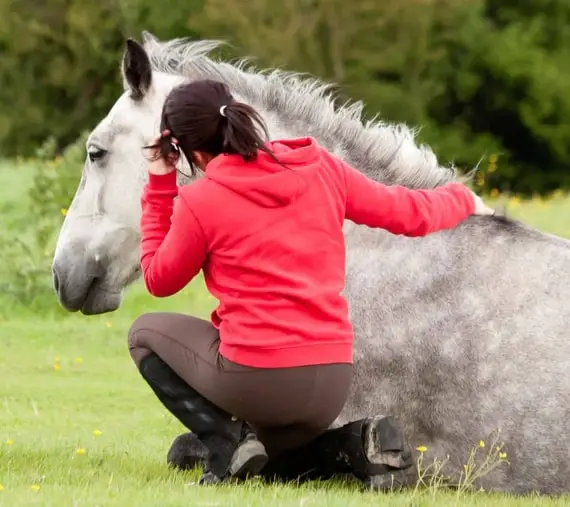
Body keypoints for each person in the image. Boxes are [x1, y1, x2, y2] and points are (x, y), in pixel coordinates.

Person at [127, 78, 489, 487]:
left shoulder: (202, 199)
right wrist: (462, 199)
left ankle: (226, 444)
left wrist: (160, 184)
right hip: (331, 380)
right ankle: (355, 442)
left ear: (184, 148)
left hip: (259, 379)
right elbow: (405, 212)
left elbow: (158, 279)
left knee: (143, 334)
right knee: (268, 458)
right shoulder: (321, 168)